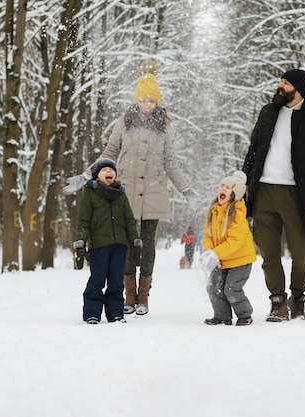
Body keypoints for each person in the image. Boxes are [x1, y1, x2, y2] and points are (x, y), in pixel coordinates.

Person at [63, 59, 199, 316]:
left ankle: (143, 296)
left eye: (151, 101)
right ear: (136, 100)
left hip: (155, 192)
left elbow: (171, 162)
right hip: (125, 192)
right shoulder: (124, 121)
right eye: (143, 100)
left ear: (157, 102)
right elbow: (109, 152)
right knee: (126, 243)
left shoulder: (166, 125)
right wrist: (85, 176)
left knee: (147, 245)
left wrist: (186, 189)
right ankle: (128, 294)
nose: (147, 106)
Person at [242, 68, 305, 322]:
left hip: (298, 195)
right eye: (280, 81)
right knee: (269, 253)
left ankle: (298, 297)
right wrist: (246, 181)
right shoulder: (268, 112)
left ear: (298, 89)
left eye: (285, 82)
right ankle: (277, 301)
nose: (279, 85)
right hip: (264, 191)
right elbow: (254, 149)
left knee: (301, 254)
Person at [73, 158, 142, 324]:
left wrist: (135, 239)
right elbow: (84, 221)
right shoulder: (90, 194)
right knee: (97, 280)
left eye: (111, 169)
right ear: (97, 176)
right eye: (104, 170)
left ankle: (116, 313)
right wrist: (81, 241)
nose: (109, 172)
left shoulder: (120, 194)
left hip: (119, 246)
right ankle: (92, 313)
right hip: (99, 247)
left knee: (117, 281)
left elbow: (129, 220)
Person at [200, 171, 256, 326]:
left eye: (228, 188)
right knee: (213, 288)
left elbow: (236, 240)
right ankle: (222, 316)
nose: (222, 189)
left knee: (231, 288)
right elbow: (207, 234)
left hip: (240, 261)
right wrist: (209, 251)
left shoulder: (237, 213)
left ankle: (245, 314)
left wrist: (216, 253)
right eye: (221, 186)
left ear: (235, 194)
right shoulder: (213, 211)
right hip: (220, 260)